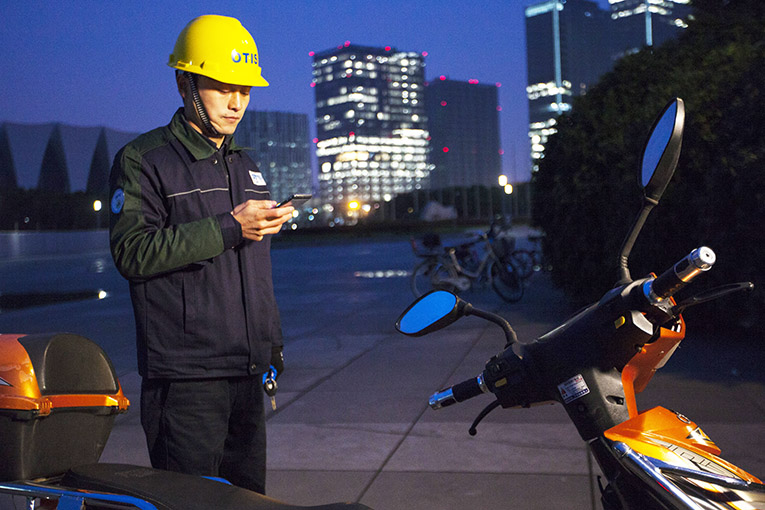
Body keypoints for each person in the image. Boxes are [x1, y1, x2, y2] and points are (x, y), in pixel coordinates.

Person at [108, 14, 293, 494]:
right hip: (187, 383)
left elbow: (254, 269)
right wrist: (229, 227)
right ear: (185, 82)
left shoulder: (245, 163)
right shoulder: (144, 160)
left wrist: (271, 345)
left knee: (250, 503)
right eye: (222, 88)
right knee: (189, 504)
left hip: (247, 375)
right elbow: (132, 252)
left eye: (246, 91)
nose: (236, 104)